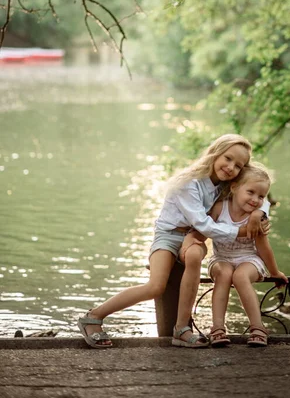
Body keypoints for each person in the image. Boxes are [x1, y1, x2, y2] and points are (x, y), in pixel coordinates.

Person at [77, 134, 271, 348]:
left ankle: (181, 329)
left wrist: (258, 214)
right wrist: (243, 231)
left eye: (238, 165)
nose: (230, 167)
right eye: (228, 158)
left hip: (192, 236)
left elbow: (257, 189)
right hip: (168, 235)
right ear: (215, 153)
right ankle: (93, 317)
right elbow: (204, 224)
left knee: (196, 256)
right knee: (156, 286)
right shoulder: (189, 182)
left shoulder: (226, 185)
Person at [181, 162, 287, 348]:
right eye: (251, 192)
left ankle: (258, 328)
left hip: (249, 258)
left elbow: (263, 248)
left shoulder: (257, 217)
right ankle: (218, 329)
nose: (255, 199)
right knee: (223, 273)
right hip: (221, 258)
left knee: (240, 276)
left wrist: (275, 272)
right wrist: (192, 239)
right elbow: (204, 230)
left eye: (261, 196)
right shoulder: (219, 208)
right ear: (235, 187)